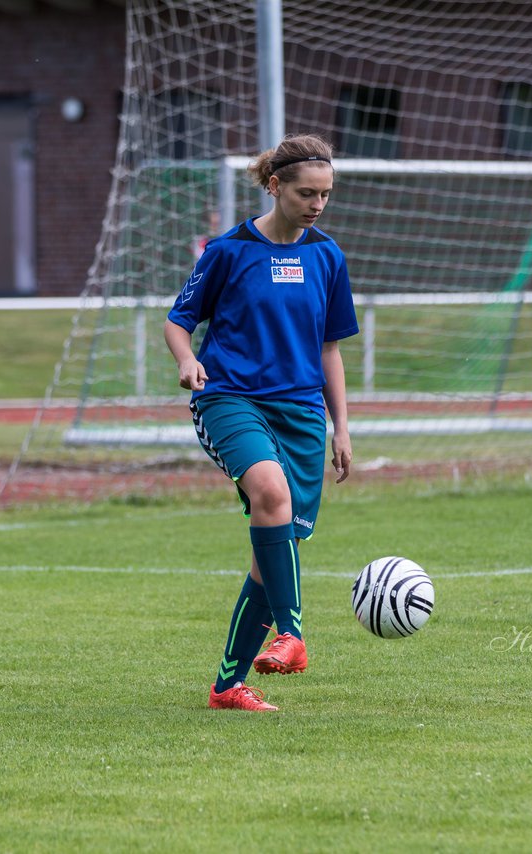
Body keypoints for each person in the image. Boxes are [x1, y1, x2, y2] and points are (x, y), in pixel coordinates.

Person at [164, 133, 359, 711]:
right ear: (275, 186)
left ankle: (227, 686)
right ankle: (293, 634)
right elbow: (179, 321)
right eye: (306, 193)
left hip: (301, 414)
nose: (317, 204)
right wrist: (187, 360)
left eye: (325, 195)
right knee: (270, 492)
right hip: (228, 399)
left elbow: (329, 349)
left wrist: (341, 427)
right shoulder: (227, 251)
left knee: (269, 553)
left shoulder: (327, 256)